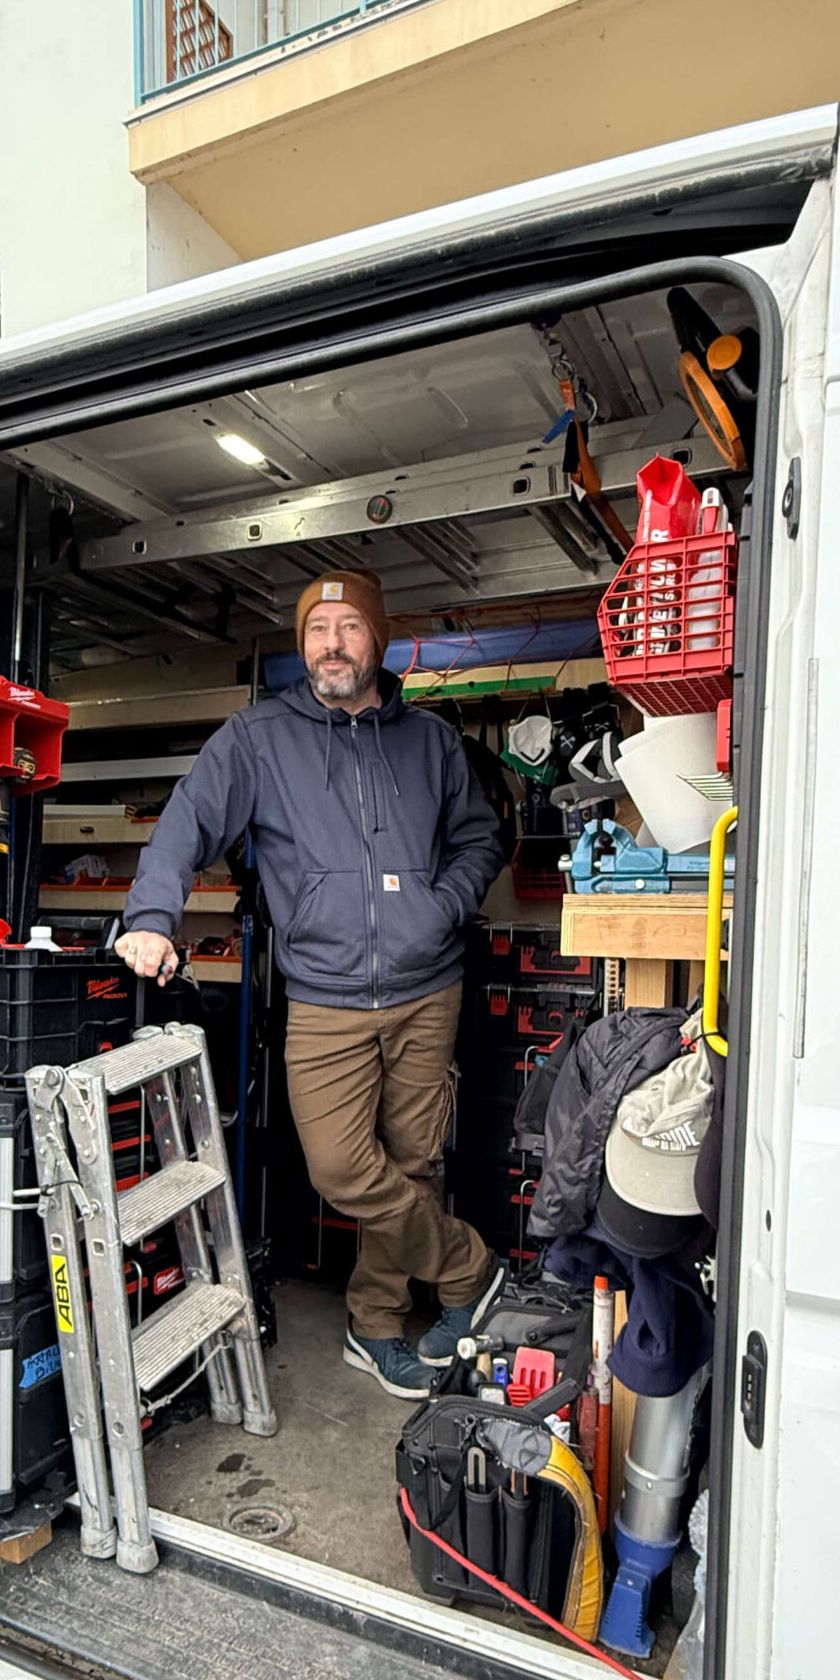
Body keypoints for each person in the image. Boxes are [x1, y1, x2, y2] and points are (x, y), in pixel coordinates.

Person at [115, 570, 507, 1395]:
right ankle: (471, 1269)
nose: (331, 644)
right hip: (326, 993)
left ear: (377, 640)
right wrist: (151, 915)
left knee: (414, 1162)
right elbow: (186, 822)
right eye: (317, 629)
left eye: (348, 627)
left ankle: (375, 1323)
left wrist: (440, 906)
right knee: (341, 1167)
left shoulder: (431, 743)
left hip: (427, 985)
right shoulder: (258, 738)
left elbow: (480, 839)